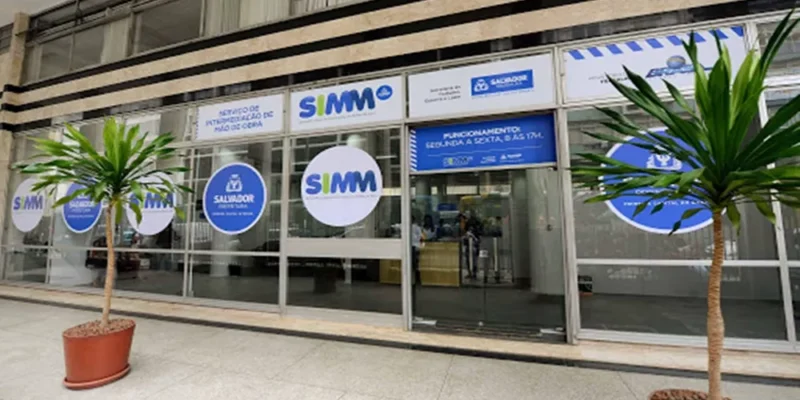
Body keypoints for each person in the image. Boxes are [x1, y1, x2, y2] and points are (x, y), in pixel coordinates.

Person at [411, 216, 423, 286]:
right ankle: (415, 280)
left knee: (415, 265)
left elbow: (421, 237)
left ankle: (416, 280)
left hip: (414, 247)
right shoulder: (406, 227)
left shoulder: (417, 228)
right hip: (412, 247)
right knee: (414, 265)